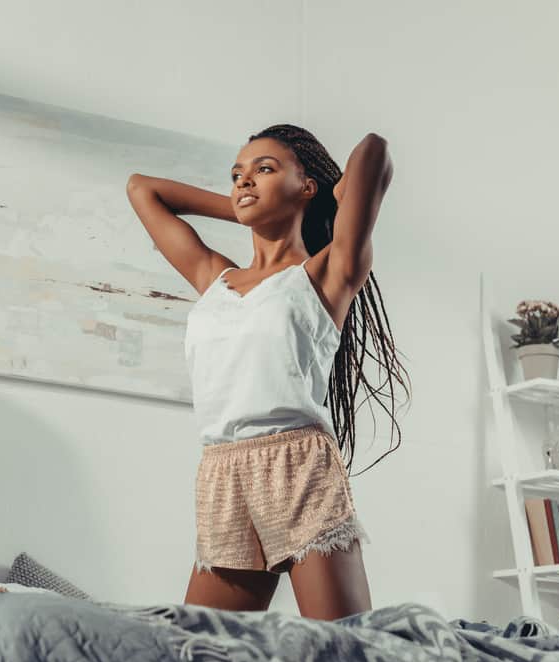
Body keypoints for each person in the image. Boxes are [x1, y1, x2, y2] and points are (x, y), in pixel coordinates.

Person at [126, 124, 411, 620]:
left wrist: (332, 201)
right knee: (200, 650)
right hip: (222, 471)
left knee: (345, 650)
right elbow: (141, 189)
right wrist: (243, 209)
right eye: (237, 174)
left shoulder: (328, 271)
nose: (243, 181)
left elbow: (374, 150)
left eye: (264, 169)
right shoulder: (213, 276)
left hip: (296, 465)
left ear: (307, 186)